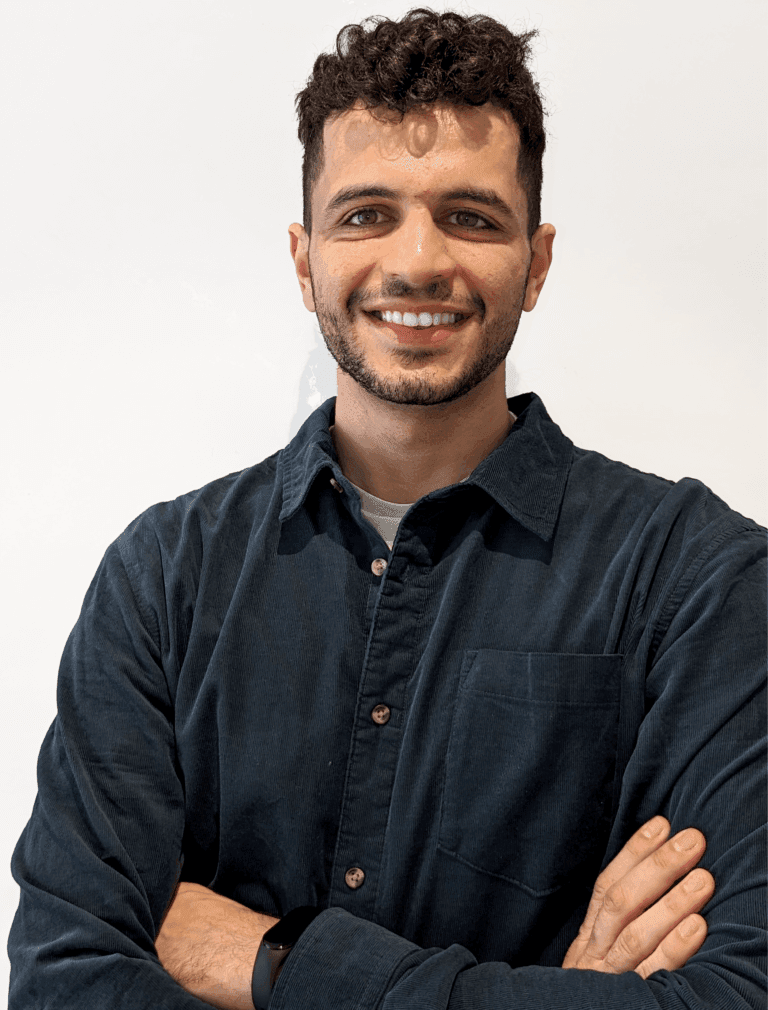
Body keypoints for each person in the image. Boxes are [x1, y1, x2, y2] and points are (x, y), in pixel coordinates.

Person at [8, 8, 765, 1009]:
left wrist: (275, 962)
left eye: (471, 216)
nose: (416, 262)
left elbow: (738, 994)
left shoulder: (699, 581)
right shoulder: (163, 580)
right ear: (304, 258)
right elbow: (64, 980)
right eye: (366, 214)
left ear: (536, 262)